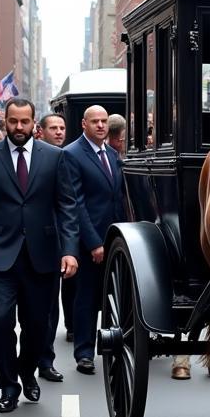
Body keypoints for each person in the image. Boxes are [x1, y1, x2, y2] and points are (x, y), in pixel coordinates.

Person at [0, 98, 79, 412]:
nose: (18, 128)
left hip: (42, 256)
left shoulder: (55, 157)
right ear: (5, 121)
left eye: (24, 122)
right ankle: (8, 386)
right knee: (1, 321)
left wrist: (70, 251)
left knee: (37, 325)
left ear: (34, 125)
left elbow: (67, 208)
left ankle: (27, 372)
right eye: (13, 122)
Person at [63, 106, 125, 375]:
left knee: (113, 295)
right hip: (90, 241)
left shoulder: (112, 154)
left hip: (115, 239)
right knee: (87, 297)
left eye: (103, 121)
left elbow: (117, 199)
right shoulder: (71, 154)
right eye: (95, 122)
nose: (101, 126)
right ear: (84, 124)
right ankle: (84, 353)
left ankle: (111, 344)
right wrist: (93, 243)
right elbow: (75, 204)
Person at [37, 113, 69, 378]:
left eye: (62, 128)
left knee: (48, 307)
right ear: (41, 131)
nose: (59, 132)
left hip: (51, 243)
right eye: (53, 128)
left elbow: (68, 205)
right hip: (11, 245)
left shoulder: (61, 158)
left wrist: (68, 248)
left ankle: (45, 361)